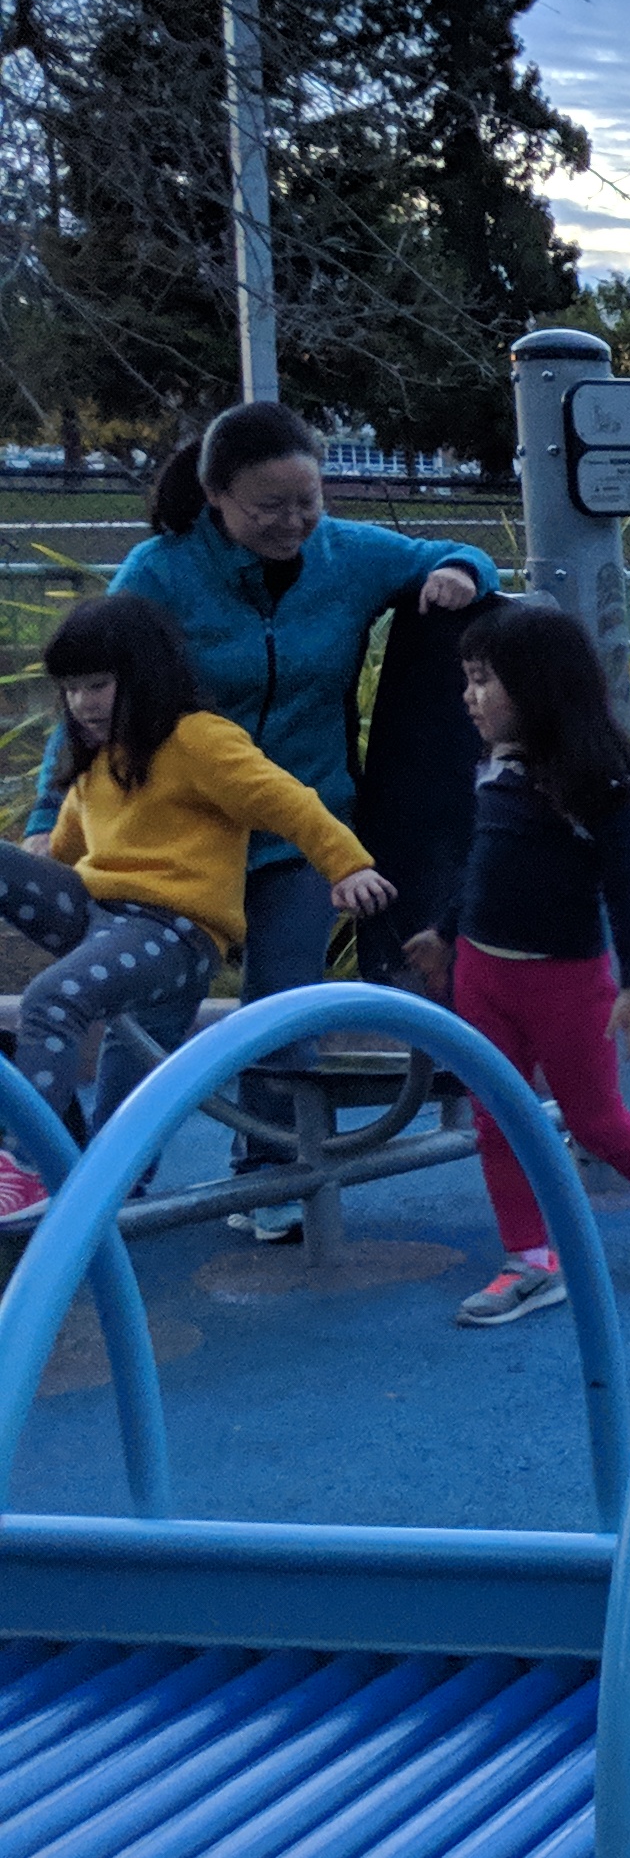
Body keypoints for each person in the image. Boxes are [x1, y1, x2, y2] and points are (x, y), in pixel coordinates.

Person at [24, 404, 499, 1242]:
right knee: (155, 1013)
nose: (292, 523)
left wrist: (460, 570)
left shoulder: (347, 554)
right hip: (184, 837)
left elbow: (449, 555)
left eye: (307, 502)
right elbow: (93, 696)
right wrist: (44, 818)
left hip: (298, 824)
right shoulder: (161, 572)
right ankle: (114, 1178)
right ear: (216, 497)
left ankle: (272, 1174)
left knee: (283, 1001)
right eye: (267, 507)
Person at [0, 593, 395, 1217]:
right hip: (99, 919)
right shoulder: (100, 758)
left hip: (173, 934)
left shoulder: (196, 740)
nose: (82, 703)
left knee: (59, 1007)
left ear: (143, 677)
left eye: (98, 685)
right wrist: (40, 855)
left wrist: (348, 867)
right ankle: (73, 1170)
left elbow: (288, 801)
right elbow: (72, 848)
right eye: (71, 689)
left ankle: (27, 1168)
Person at [414, 601, 630, 1327]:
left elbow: (626, 887)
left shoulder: (596, 777)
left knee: (596, 1120)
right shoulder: (495, 764)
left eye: (483, 680)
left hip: (566, 982)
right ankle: (529, 1260)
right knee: (496, 1119)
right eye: (468, 678)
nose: (469, 696)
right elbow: (486, 861)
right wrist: (446, 932)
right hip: (483, 973)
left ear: (537, 685)